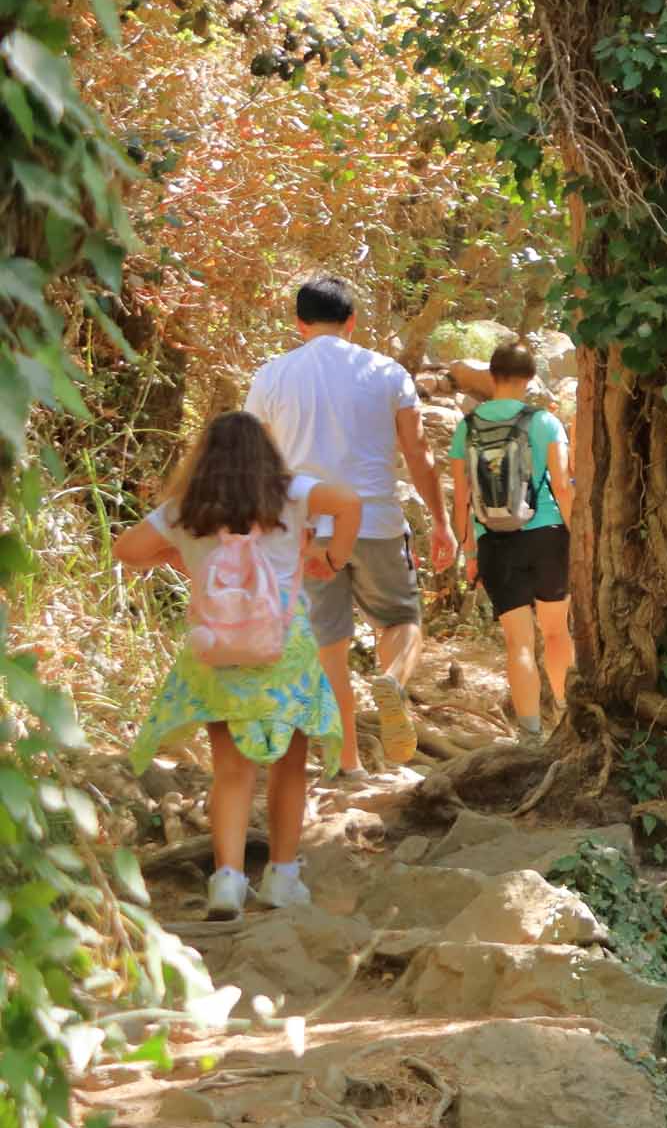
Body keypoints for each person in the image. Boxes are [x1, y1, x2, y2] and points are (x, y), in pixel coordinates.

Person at [117, 412, 357, 919]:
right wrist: (329, 557)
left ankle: (226, 882)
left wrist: (175, 554)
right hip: (283, 649)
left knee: (230, 770)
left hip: (217, 651)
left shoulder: (186, 507)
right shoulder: (291, 493)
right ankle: (282, 878)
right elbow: (350, 503)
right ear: (266, 454)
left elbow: (127, 550)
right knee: (291, 766)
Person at [245, 274, 453, 777]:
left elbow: (256, 461)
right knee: (401, 621)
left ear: (299, 324)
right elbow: (418, 454)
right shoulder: (386, 373)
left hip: (306, 531)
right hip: (376, 522)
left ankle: (349, 764)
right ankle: (393, 684)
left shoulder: (271, 376)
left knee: (329, 649)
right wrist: (443, 521)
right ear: (352, 322)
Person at [451, 340, 575, 742]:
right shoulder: (544, 423)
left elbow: (462, 496)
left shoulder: (466, 427)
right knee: (556, 633)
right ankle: (567, 715)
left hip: (495, 541)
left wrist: (469, 552)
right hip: (547, 537)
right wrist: (578, 538)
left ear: (491, 376)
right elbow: (561, 485)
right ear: (530, 379)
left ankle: (530, 735)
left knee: (518, 644)